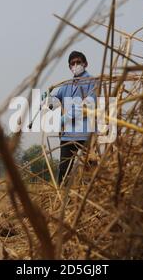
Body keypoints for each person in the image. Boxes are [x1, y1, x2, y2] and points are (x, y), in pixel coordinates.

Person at [54, 51, 97, 185]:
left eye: (78, 62)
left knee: (89, 170)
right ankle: (60, 201)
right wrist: (48, 100)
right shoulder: (67, 84)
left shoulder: (92, 81)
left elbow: (86, 105)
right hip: (68, 136)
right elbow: (56, 98)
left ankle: (90, 198)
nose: (76, 65)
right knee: (63, 171)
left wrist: (65, 118)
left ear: (85, 64)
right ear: (70, 67)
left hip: (86, 134)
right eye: (73, 63)